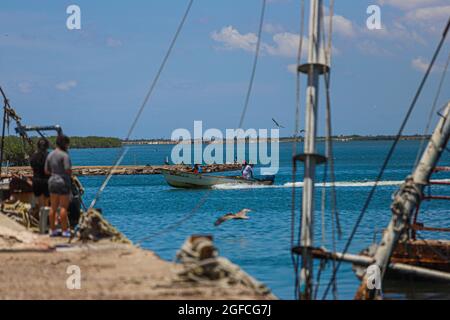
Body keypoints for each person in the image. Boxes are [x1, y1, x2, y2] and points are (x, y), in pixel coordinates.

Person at [45, 135, 72, 238]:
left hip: (52, 181)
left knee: (53, 207)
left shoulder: (50, 155)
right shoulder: (64, 155)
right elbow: (68, 170)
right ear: (65, 144)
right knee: (63, 207)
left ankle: (52, 230)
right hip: (62, 181)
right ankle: (64, 230)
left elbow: (46, 170)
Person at [30, 138, 50, 210]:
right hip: (46, 181)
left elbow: (32, 166)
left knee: (41, 204)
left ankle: (41, 219)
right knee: (47, 204)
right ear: (47, 146)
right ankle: (46, 220)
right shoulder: (49, 156)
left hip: (37, 181)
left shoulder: (33, 156)